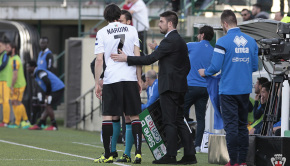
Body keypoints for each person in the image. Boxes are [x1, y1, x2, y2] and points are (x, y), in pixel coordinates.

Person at [111, 11, 197, 165]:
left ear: (170, 23)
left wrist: (127, 58)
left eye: (161, 21)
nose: (159, 24)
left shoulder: (169, 40)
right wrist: (178, 79)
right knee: (179, 121)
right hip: (179, 87)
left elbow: (150, 58)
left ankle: (170, 155)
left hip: (170, 88)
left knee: (169, 121)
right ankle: (190, 155)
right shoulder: (179, 41)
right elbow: (187, 66)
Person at [198, 10, 258, 166]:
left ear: (225, 24)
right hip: (244, 90)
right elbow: (254, 67)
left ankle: (234, 161)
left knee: (231, 127)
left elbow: (215, 67)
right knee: (242, 126)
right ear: (235, 21)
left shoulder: (223, 42)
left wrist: (205, 72)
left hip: (228, 90)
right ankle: (243, 161)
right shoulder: (251, 41)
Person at [93, 4, 142, 164]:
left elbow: (99, 60)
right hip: (129, 77)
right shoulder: (132, 29)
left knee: (108, 116)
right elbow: (137, 56)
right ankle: (138, 154)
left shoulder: (101, 32)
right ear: (119, 15)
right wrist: (139, 78)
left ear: (105, 16)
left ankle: (108, 154)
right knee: (134, 115)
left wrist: (97, 82)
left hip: (112, 78)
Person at [183, 25, 214, 153]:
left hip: (190, 86)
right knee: (201, 118)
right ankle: (198, 145)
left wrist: (156, 48)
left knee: (180, 114)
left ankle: (185, 142)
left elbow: (175, 49)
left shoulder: (192, 45)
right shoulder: (213, 50)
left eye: (198, 34)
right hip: (204, 88)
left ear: (201, 35)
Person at [27, 61, 64, 131]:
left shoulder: (39, 72)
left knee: (48, 105)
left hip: (57, 88)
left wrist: (47, 95)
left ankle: (54, 126)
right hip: (55, 89)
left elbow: (47, 82)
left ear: (33, 67)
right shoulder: (36, 74)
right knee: (47, 105)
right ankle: (40, 124)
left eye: (28, 67)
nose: (27, 68)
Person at [6, 42, 30, 128]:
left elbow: (15, 74)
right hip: (15, 85)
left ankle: (19, 122)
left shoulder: (15, 59)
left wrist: (12, 86)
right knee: (14, 102)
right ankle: (24, 121)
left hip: (18, 85)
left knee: (17, 102)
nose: (6, 49)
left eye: (8, 47)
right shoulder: (11, 58)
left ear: (13, 49)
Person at [0, 40, 11, 127]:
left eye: (0, 46)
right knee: (2, 101)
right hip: (1, 81)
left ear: (4, 46)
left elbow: (3, 65)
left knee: (5, 101)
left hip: (5, 81)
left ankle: (6, 121)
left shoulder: (5, 55)